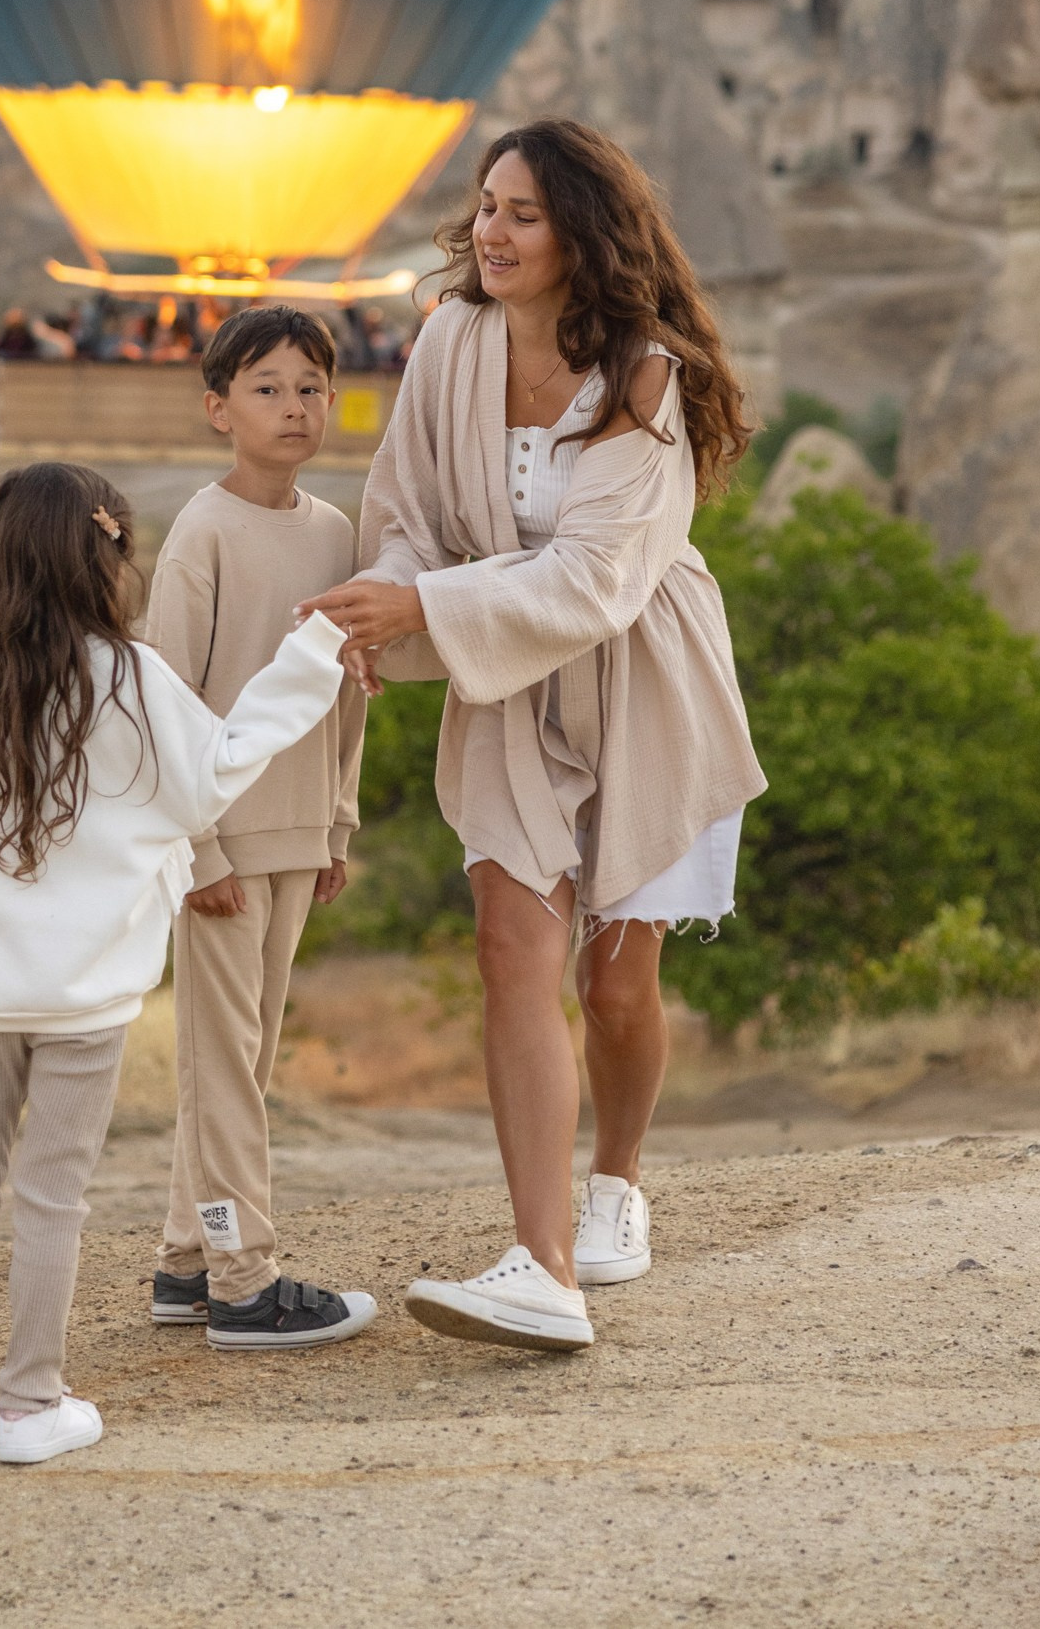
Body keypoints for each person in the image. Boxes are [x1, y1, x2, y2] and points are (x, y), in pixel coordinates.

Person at [302, 120, 762, 1354]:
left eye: (521, 214)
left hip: (640, 673)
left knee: (616, 982)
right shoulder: (447, 342)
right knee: (512, 947)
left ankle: (616, 1183)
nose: (491, 233)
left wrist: (426, 609)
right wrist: (385, 606)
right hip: (501, 677)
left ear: (582, 235)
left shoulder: (648, 377)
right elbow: (402, 512)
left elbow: (598, 579)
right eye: (484, 207)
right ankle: (541, 1267)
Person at [0, 461, 352, 1466]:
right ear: (108, 554)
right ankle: (29, 1404)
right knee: (51, 1199)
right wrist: (311, 652)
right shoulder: (131, 680)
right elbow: (215, 773)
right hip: (85, 1001)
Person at [143, 305, 372, 1348]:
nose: (294, 408)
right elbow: (164, 702)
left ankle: (184, 1263)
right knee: (222, 1062)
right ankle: (245, 1281)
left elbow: (347, 689)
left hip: (295, 838)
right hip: (220, 844)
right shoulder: (201, 533)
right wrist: (198, 848)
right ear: (217, 409)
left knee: (247, 1055)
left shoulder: (334, 535)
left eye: (311, 388)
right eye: (267, 388)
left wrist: (335, 818)